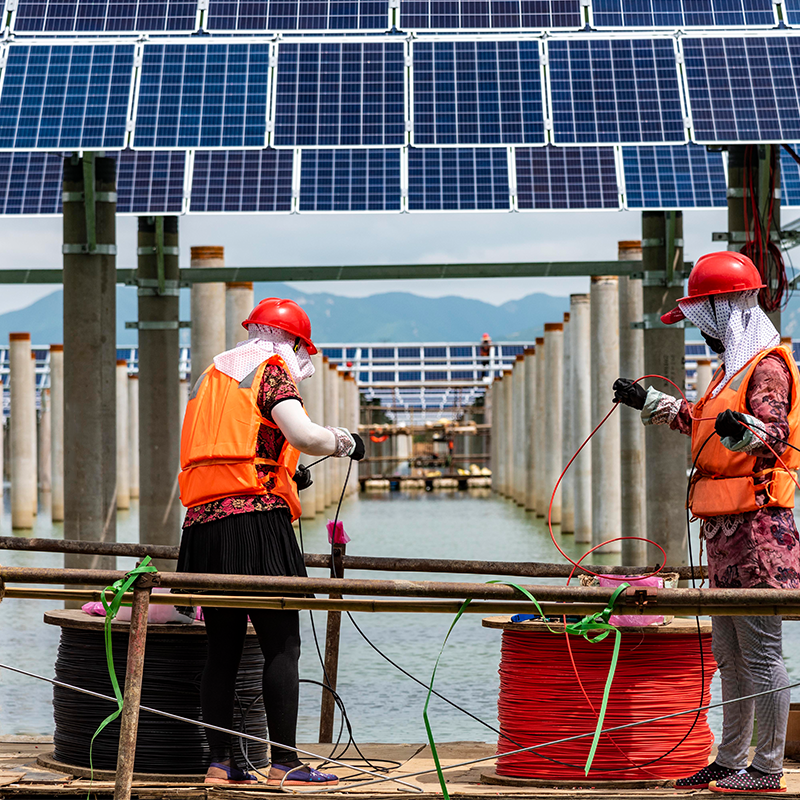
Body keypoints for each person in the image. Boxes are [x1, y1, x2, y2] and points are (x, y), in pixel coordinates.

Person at [614, 252, 799, 795]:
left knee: (762, 652)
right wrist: (652, 402)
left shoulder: (767, 365)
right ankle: (731, 758)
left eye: (703, 315)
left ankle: (767, 769)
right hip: (723, 532)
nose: (701, 328)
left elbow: (770, 435)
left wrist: (745, 432)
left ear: (727, 308)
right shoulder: (731, 372)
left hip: (760, 531)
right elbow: (704, 425)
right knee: (728, 652)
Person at [177, 298, 365, 787]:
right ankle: (284, 762)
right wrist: (345, 440)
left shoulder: (213, 375)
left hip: (203, 525)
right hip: (257, 527)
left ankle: (220, 764)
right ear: (295, 342)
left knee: (222, 648)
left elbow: (237, 443)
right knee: (283, 644)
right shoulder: (272, 370)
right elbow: (304, 434)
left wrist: (285, 474)